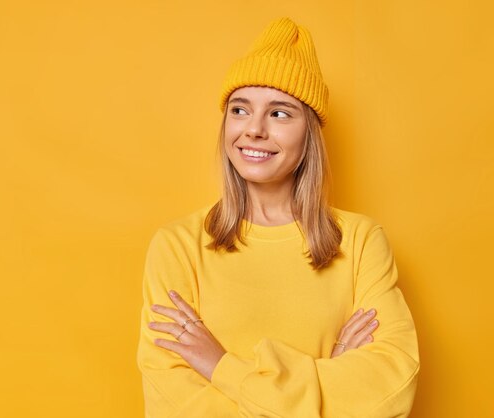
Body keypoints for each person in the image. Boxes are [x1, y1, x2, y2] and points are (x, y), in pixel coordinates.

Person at [136, 16, 420, 417]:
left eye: (280, 113)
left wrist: (221, 368)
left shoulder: (360, 241)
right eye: (240, 109)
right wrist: (329, 373)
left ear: (310, 133)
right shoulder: (177, 246)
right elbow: (172, 405)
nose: (253, 129)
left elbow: (391, 389)